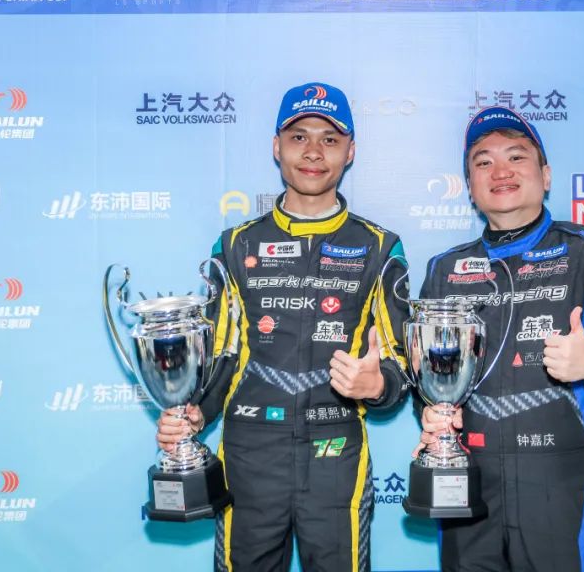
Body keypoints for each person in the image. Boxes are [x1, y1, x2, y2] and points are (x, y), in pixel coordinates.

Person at [157, 82, 410, 572]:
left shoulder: (380, 247)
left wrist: (379, 385)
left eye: (330, 139)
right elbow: (219, 354)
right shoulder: (234, 245)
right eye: (299, 137)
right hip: (249, 450)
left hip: (336, 448)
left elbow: (402, 361)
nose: (313, 152)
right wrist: (191, 414)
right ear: (277, 147)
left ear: (350, 152)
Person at [415, 106, 584, 572]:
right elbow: (427, 377)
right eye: (483, 162)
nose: (500, 171)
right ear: (469, 186)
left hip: (560, 481)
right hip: (466, 479)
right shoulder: (445, 269)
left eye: (516, 157)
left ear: (545, 176)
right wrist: (430, 414)